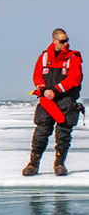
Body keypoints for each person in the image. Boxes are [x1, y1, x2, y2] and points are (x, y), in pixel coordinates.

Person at [24, 29, 82, 177]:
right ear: (55, 41)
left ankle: (59, 163)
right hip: (47, 101)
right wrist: (43, 90)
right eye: (63, 41)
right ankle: (33, 163)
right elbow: (37, 76)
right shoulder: (43, 57)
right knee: (41, 131)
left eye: (67, 40)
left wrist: (55, 90)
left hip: (66, 100)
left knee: (63, 133)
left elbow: (75, 78)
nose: (66, 43)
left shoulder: (73, 58)